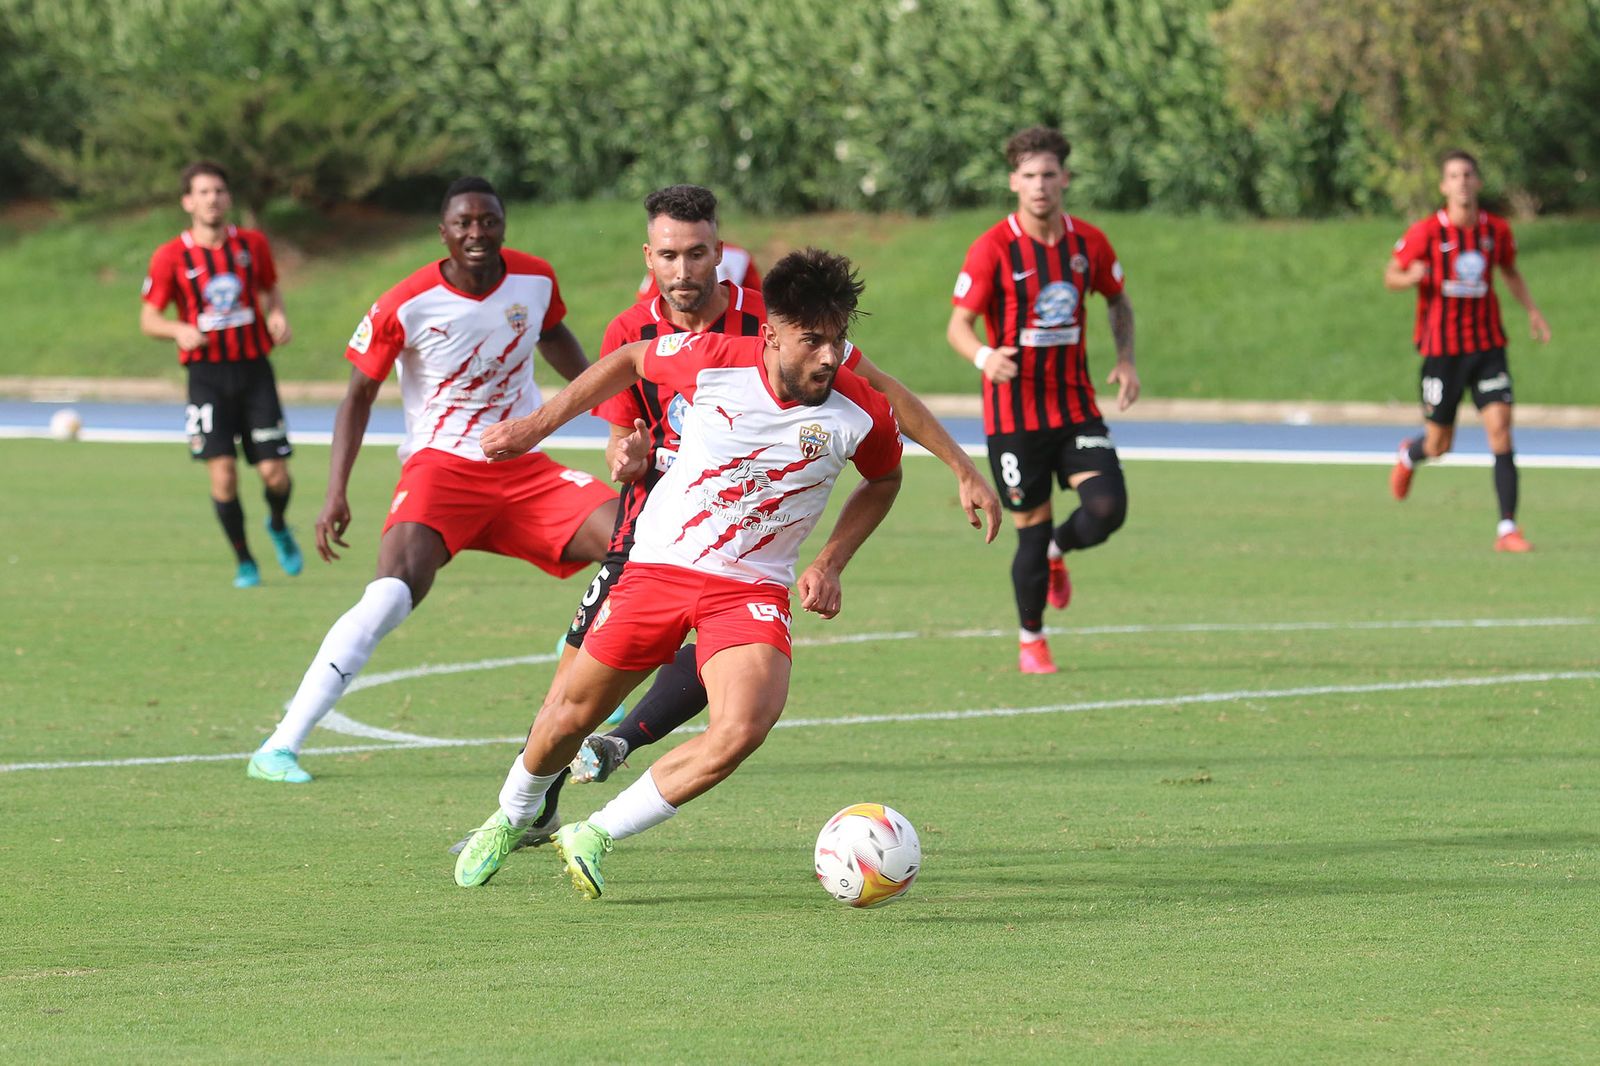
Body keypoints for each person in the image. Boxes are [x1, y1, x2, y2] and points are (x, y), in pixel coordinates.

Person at [450, 184, 999, 856]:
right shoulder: (700, 354)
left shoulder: (841, 385)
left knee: (744, 723)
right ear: (649, 257)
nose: (830, 356)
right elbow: (624, 372)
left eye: (698, 253)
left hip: (751, 584)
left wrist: (944, 480)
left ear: (717, 252)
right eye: (670, 255)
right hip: (656, 551)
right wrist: (550, 430)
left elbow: (887, 453)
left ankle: (598, 831)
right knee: (568, 705)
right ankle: (518, 813)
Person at [246, 177, 619, 784]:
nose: (477, 233)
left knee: (634, 546)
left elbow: (556, 339)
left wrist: (614, 414)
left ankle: (582, 654)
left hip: (523, 467)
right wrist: (335, 490)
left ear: (503, 225)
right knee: (390, 595)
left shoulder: (535, 279)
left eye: (488, 221)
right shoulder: (405, 301)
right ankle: (281, 745)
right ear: (443, 232)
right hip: (440, 471)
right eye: (464, 223)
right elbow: (356, 397)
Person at [946, 126, 1140, 675]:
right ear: (1014, 182)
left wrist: (1125, 360)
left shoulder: (1089, 244)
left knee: (1108, 509)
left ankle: (1060, 549)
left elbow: (1118, 301)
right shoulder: (992, 249)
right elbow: (958, 326)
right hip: (1015, 416)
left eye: (1049, 175)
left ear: (1065, 179)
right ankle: (1032, 640)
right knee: (1026, 528)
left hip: (1075, 405)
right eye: (1029, 176)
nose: (1040, 186)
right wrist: (985, 357)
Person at [139, 161, 301, 589]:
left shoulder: (252, 245)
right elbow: (149, 318)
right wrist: (178, 329)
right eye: (203, 192)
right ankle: (245, 560)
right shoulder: (170, 256)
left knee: (275, 474)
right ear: (188, 201)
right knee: (224, 474)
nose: (212, 199)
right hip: (206, 376)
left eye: (219, 191)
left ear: (228, 198)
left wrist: (278, 315)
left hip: (254, 372)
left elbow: (270, 289)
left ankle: (279, 524)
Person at [1385, 150, 1552, 551]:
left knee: (1500, 431)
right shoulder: (1427, 232)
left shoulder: (1495, 230)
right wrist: (1409, 277)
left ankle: (1507, 529)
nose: (1462, 182)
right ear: (1444, 186)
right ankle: (1412, 454)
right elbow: (1391, 274)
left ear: (1477, 182)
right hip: (1442, 351)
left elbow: (1510, 270)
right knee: (1440, 445)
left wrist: (1532, 311)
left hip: (1487, 347)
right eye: (1454, 176)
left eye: (1468, 175)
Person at [637, 239, 759, 301]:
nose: (683, 273)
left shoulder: (739, 256)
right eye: (670, 257)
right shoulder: (739, 255)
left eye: (696, 255)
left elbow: (645, 300)